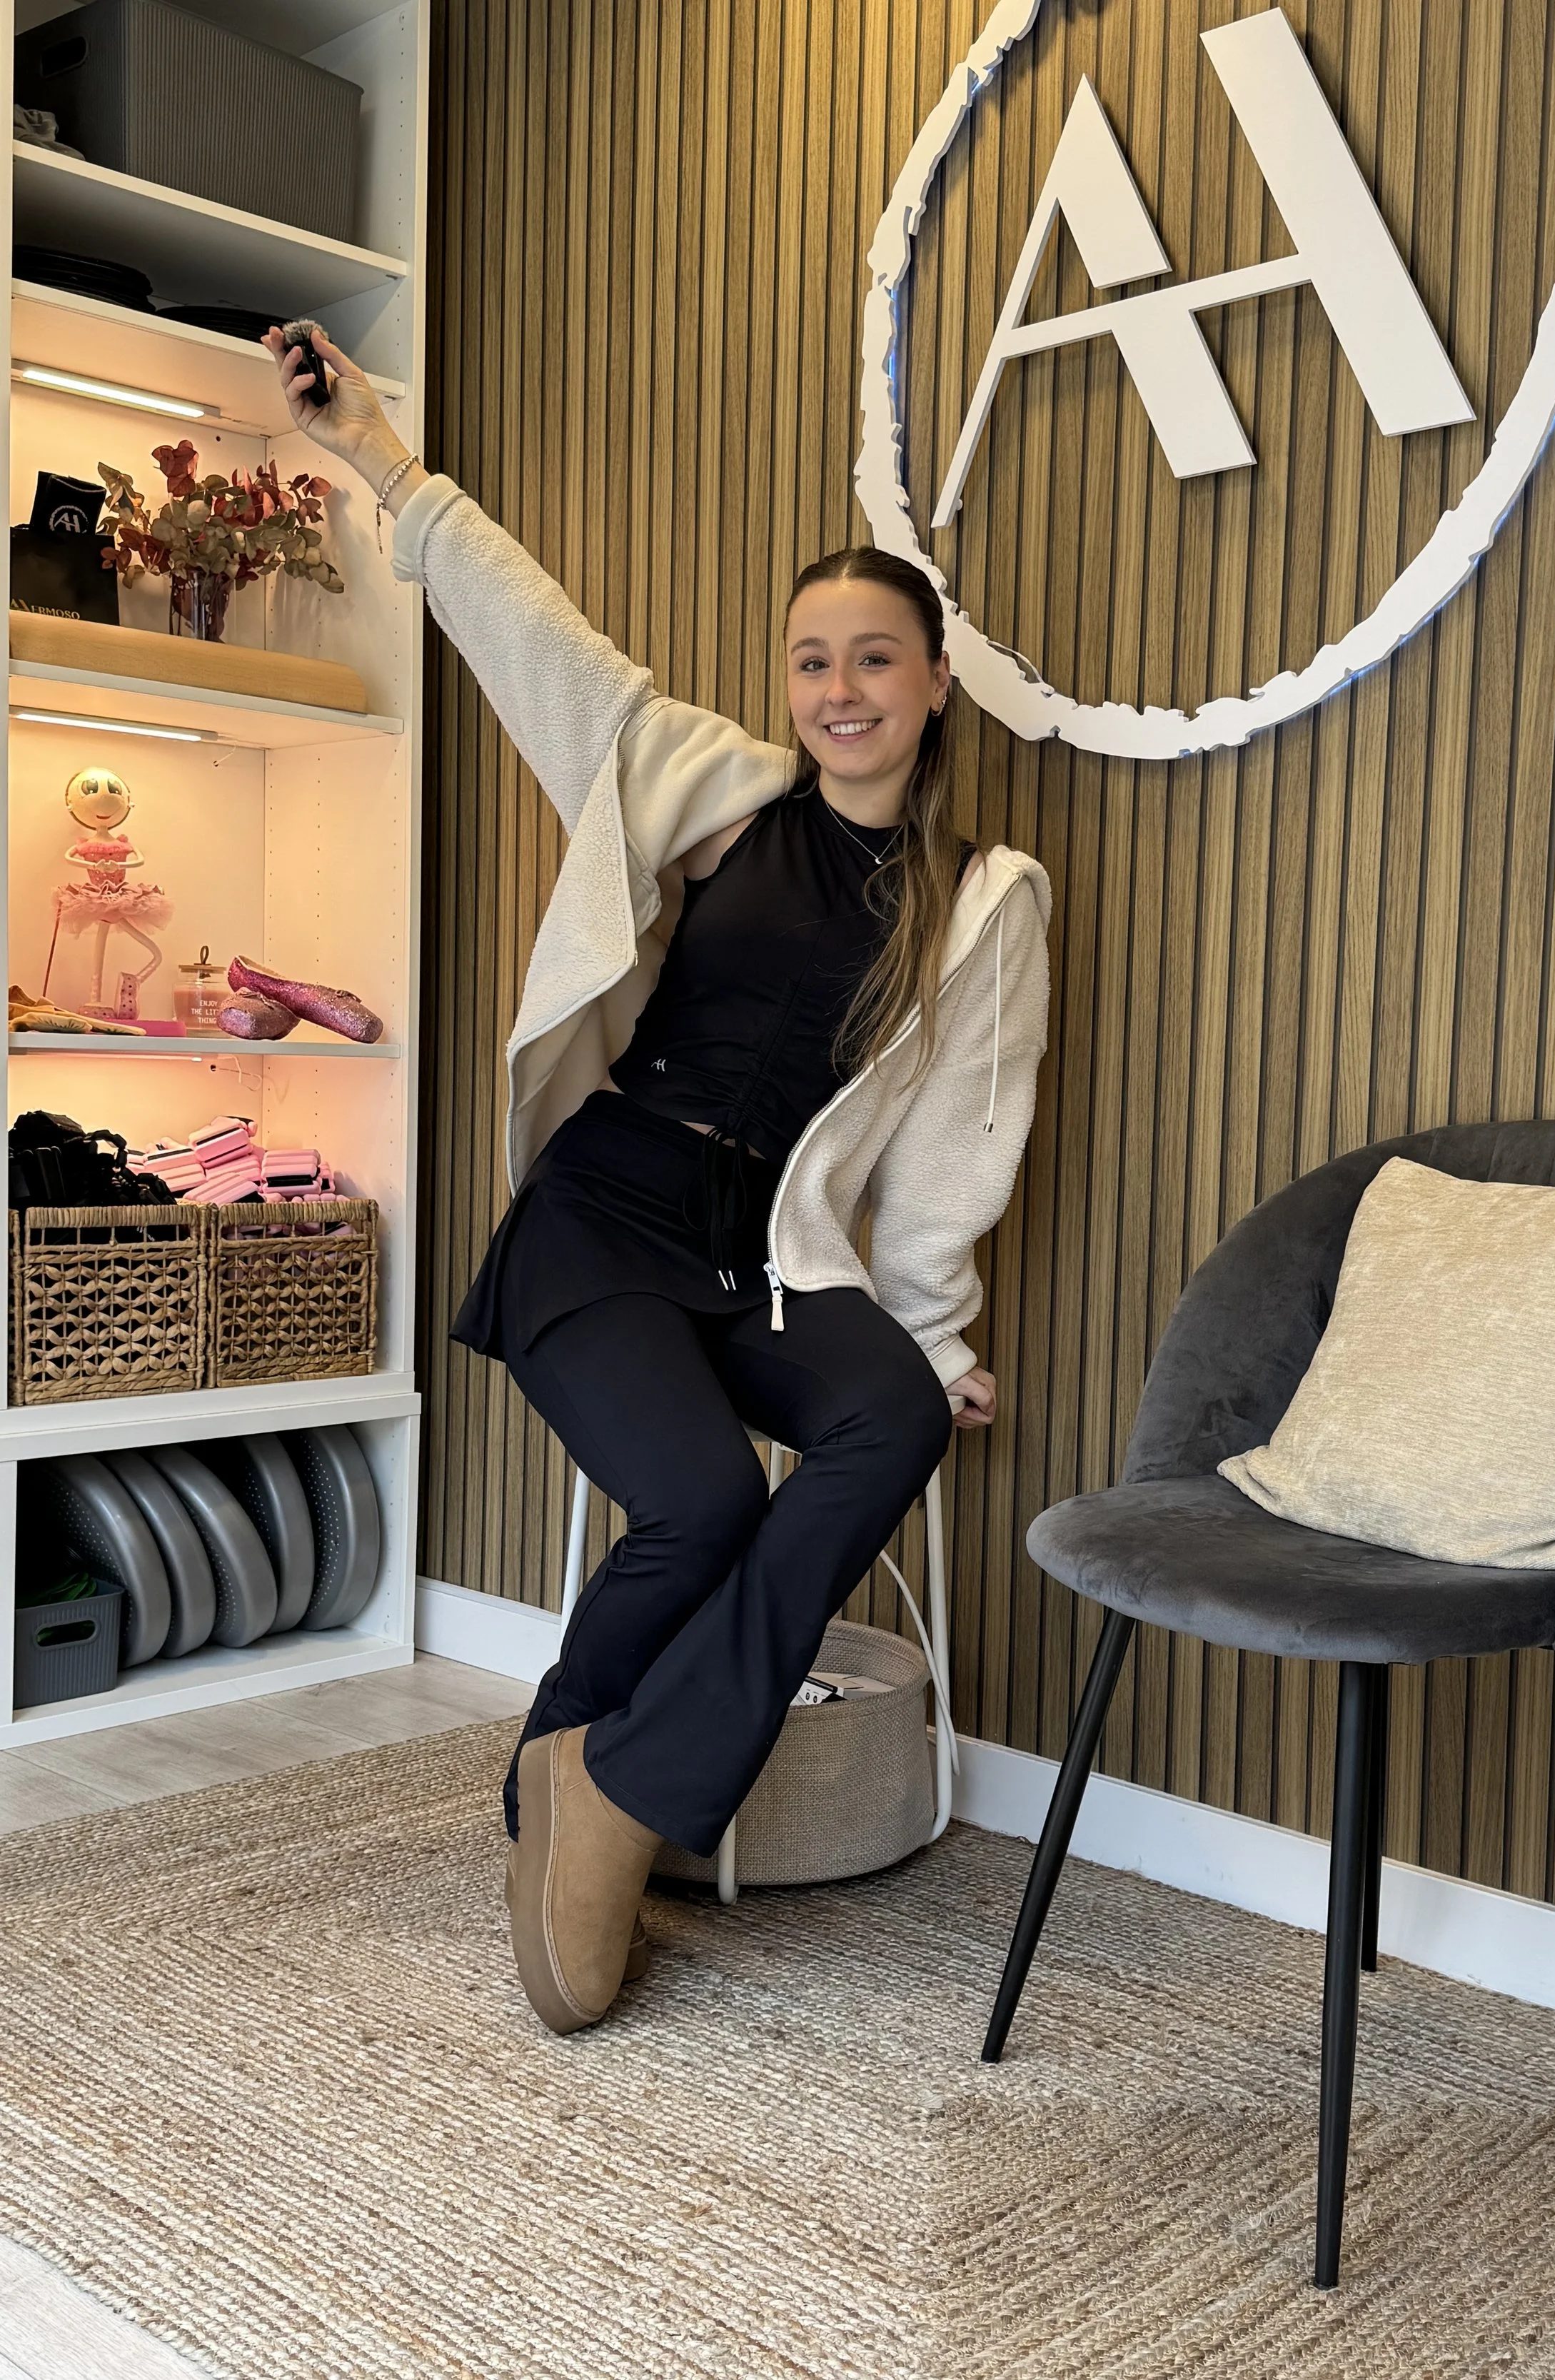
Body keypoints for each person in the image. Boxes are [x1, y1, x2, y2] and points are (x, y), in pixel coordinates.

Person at [268, 326, 1052, 2036]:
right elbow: (530, 631)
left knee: (892, 1417)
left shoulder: (983, 899)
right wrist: (381, 459)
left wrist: (929, 1331)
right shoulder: (712, 794)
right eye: (811, 660)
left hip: (762, 1253)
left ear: (934, 682)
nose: (839, 689)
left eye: (874, 659)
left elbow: (953, 1144)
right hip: (602, 1217)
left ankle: (603, 1782)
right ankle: (589, 1787)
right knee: (700, 1501)